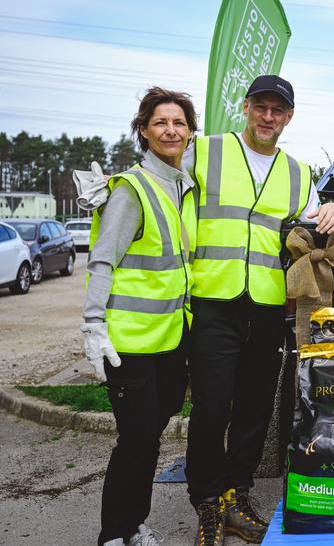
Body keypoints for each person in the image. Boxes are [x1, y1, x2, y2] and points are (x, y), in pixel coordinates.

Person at [184, 75, 334, 545]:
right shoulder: (206, 151)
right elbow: (160, 180)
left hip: (268, 306)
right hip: (213, 301)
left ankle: (239, 493)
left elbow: (317, 223)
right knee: (212, 407)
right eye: (261, 107)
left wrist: (331, 208)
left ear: (289, 116)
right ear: (246, 107)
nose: (268, 117)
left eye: (278, 110)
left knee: (255, 408)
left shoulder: (298, 172)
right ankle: (208, 502)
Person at [82, 87, 199, 546]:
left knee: (152, 433)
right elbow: (103, 259)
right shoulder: (132, 188)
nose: (171, 130)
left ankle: (132, 524)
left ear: (190, 133)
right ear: (144, 131)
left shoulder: (182, 183)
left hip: (169, 337)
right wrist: (93, 322)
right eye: (160, 122)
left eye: (180, 123)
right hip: (128, 340)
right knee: (136, 439)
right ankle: (115, 533)